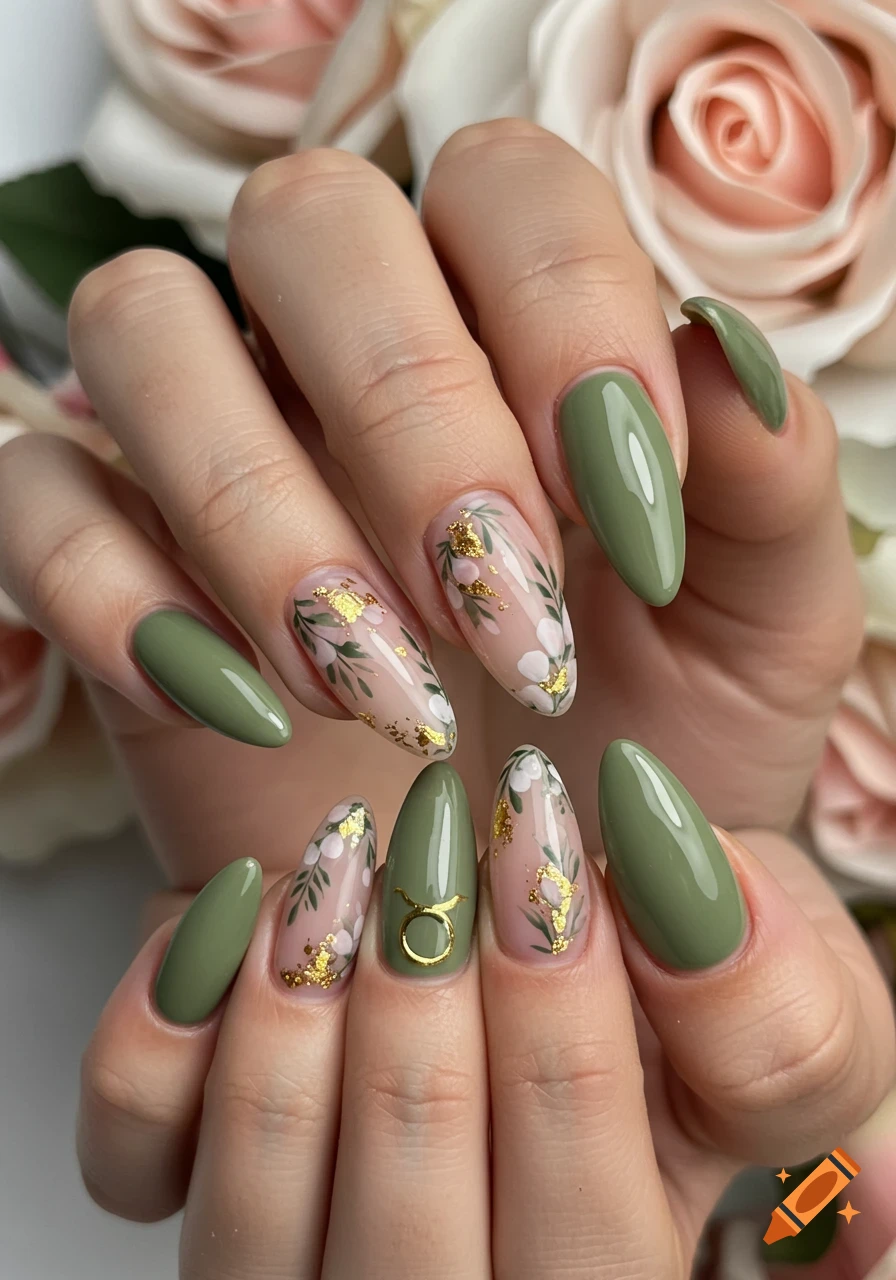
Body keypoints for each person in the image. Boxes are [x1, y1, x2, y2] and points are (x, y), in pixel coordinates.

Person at [0, 120, 892, 1278]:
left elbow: (813, 1202)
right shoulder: (817, 1194)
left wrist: (797, 1164)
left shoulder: (806, 1203)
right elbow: (822, 1198)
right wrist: (804, 1149)